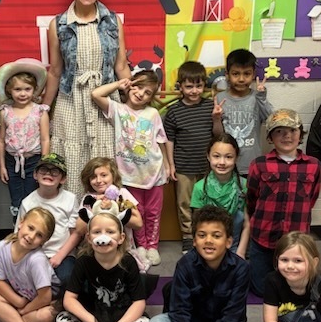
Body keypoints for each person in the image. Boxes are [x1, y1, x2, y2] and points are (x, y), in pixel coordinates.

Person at [43, 0, 132, 199]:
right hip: (71, 102)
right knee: (73, 162)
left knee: (105, 166)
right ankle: (75, 225)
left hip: (105, 101)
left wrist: (132, 107)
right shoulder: (58, 24)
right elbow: (55, 71)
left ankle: (108, 226)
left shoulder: (113, 21)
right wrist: (44, 111)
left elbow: (121, 67)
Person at [147, 206, 258, 322]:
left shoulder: (241, 268)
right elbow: (179, 312)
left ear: (229, 241)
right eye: (202, 235)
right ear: (194, 241)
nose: (208, 241)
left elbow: (232, 317)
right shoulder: (185, 264)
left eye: (216, 236)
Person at [55, 209, 148, 322]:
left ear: (121, 238)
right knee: (61, 320)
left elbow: (139, 302)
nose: (103, 237)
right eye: (97, 232)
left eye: (110, 232)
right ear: (89, 238)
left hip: (121, 314)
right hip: (94, 313)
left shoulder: (128, 262)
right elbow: (69, 299)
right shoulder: (83, 262)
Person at [91, 70, 169, 266]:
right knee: (136, 212)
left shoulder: (152, 114)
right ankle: (140, 245)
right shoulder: (118, 110)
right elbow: (96, 94)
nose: (141, 93)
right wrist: (119, 84)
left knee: (153, 212)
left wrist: (168, 166)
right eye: (138, 86)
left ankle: (152, 246)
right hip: (128, 175)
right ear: (130, 84)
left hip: (154, 173)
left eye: (148, 92)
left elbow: (161, 141)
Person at [246, 109, 321, 297]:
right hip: (263, 237)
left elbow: (312, 197)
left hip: (296, 239)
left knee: (296, 290)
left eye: (292, 130)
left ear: (300, 134)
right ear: (270, 137)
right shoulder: (259, 164)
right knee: (261, 291)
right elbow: (252, 199)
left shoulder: (313, 165)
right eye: (279, 131)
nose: (287, 135)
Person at [0, 207, 57, 322]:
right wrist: (18, 302)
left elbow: (45, 297)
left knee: (48, 315)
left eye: (39, 235)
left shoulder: (37, 260)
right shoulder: (2, 247)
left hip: (40, 303)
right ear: (21, 223)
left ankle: (6, 320)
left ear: (44, 241)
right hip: (21, 298)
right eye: (30, 228)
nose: (31, 236)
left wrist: (25, 309)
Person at [163, 61, 215, 254]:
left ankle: (203, 234)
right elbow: (169, 139)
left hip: (207, 167)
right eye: (189, 86)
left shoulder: (210, 107)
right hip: (184, 166)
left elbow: (218, 134)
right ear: (181, 87)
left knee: (207, 202)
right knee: (184, 203)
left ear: (204, 86)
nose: (194, 91)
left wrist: (217, 118)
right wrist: (171, 164)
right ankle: (187, 235)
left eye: (199, 86)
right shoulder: (174, 111)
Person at [0, 59, 50, 221]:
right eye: (17, 89)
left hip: (35, 161)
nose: (23, 93)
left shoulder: (40, 111)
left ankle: (36, 229)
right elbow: (1, 140)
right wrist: (2, 166)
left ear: (35, 90)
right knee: (16, 200)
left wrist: (43, 165)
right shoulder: (5, 112)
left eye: (27, 89)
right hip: (12, 162)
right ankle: (18, 233)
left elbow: (45, 139)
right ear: (9, 91)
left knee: (34, 198)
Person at [14, 153, 81, 286]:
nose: (48, 174)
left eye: (55, 171)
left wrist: (59, 256)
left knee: (68, 278)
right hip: (34, 252)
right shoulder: (28, 202)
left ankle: (54, 300)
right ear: (35, 175)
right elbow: (18, 234)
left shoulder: (70, 199)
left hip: (63, 254)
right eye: (43, 170)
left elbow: (76, 233)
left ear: (63, 179)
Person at [75, 156, 145, 272]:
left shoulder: (122, 194)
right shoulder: (89, 198)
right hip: (96, 250)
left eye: (103, 175)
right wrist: (96, 206)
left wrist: (115, 207)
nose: (98, 180)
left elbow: (138, 223)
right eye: (93, 177)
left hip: (122, 249)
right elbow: (79, 229)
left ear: (113, 176)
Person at [212, 48, 273, 176]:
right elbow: (218, 135)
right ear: (227, 74)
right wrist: (216, 119)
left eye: (246, 74)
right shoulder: (219, 98)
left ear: (253, 74)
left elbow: (270, 120)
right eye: (235, 74)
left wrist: (261, 97)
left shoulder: (257, 97)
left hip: (251, 164)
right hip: (226, 164)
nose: (241, 79)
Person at [190, 133, 250, 259]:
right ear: (208, 156)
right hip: (208, 249)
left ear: (236, 158)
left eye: (228, 157)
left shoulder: (244, 186)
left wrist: (241, 253)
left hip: (235, 248)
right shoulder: (200, 187)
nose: (222, 162)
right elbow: (197, 226)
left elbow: (247, 224)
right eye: (216, 156)